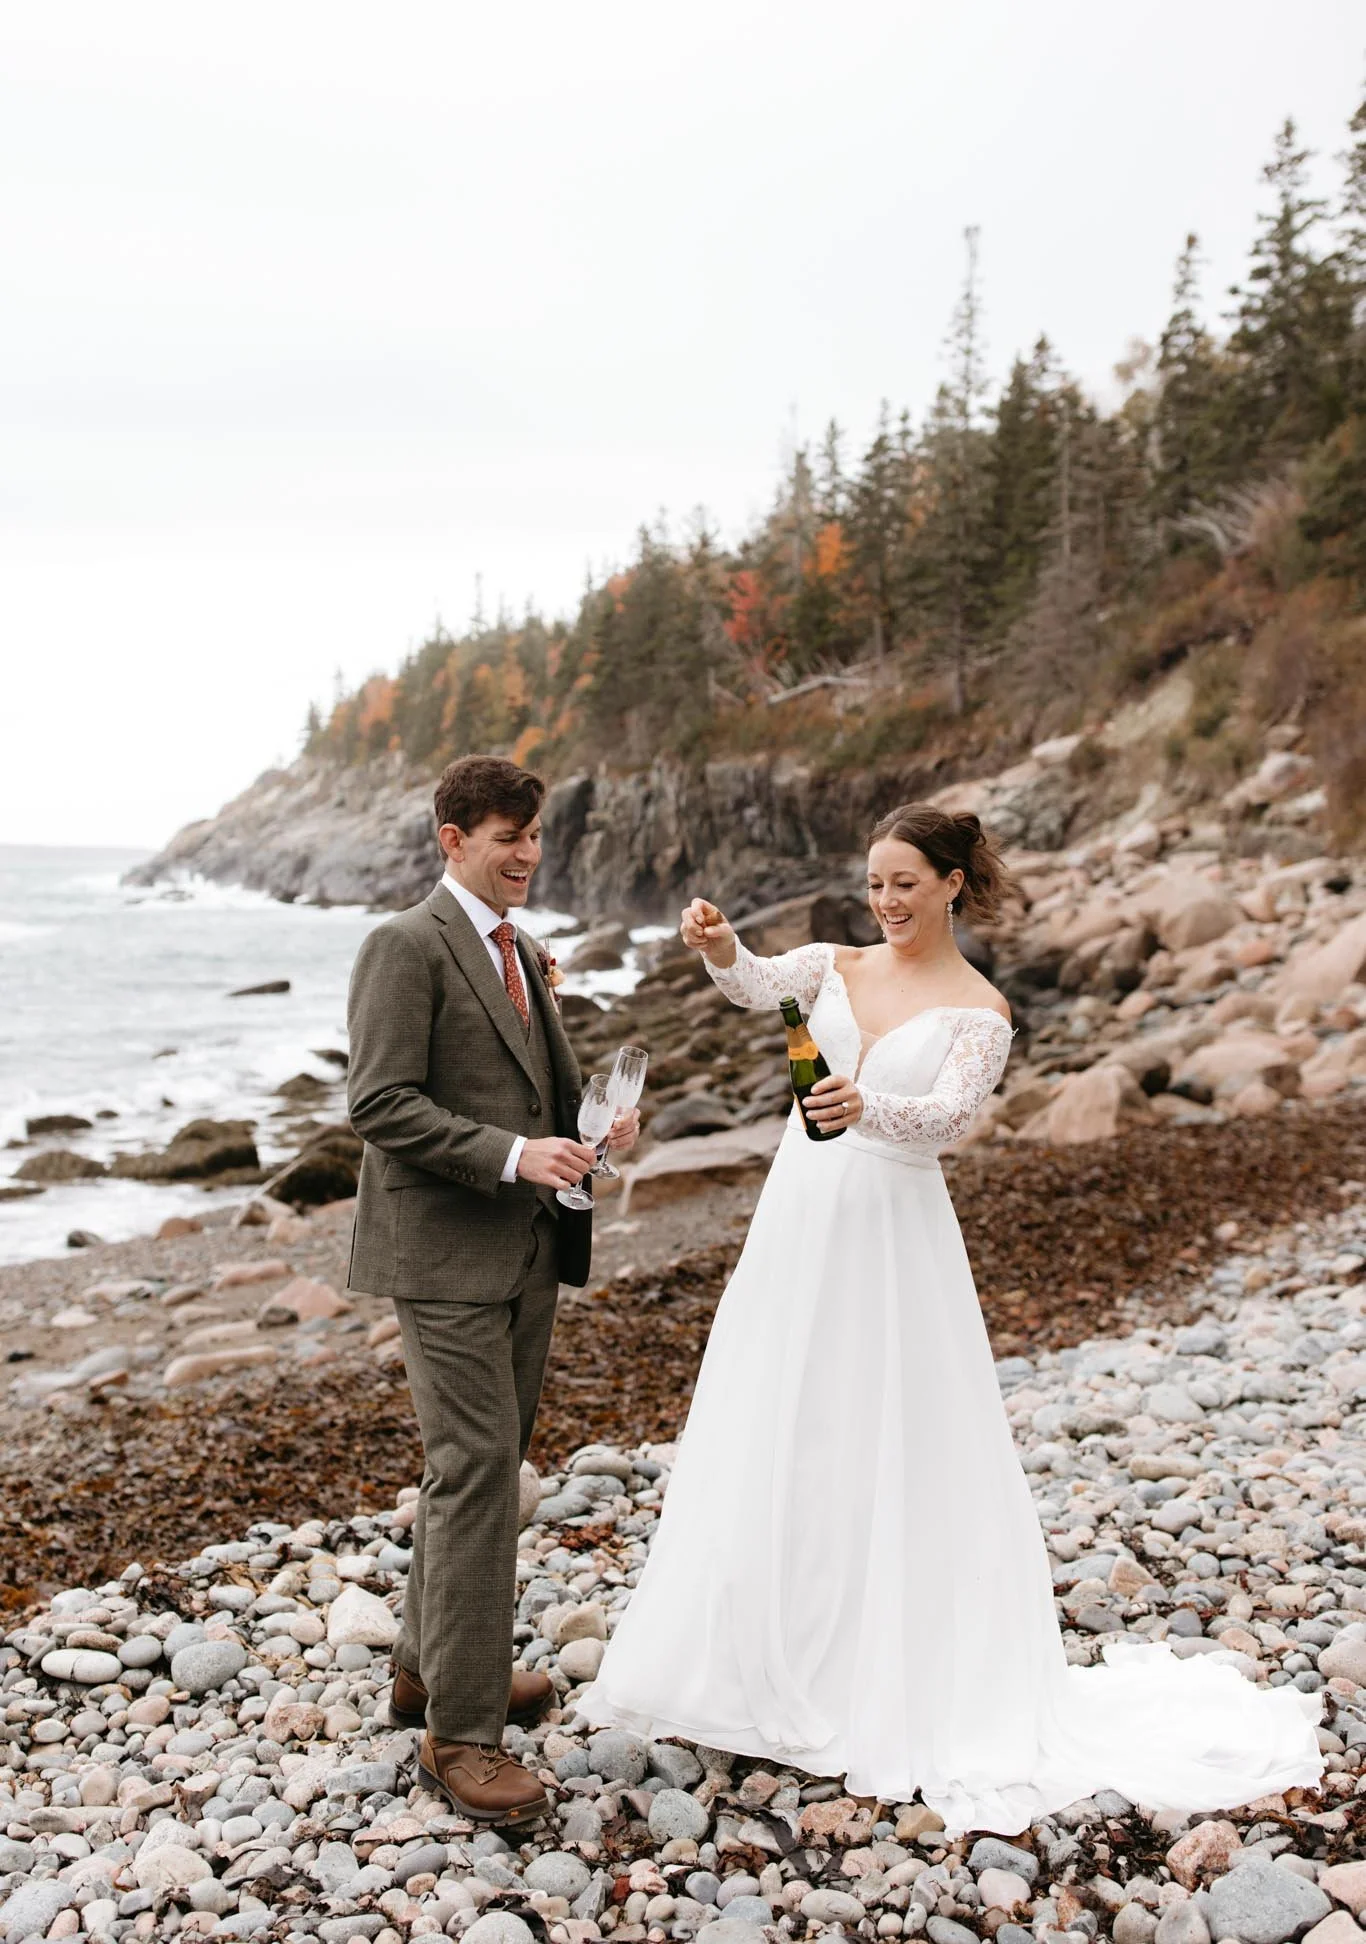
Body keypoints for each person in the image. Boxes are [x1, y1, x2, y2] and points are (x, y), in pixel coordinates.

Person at [577, 804, 1322, 1833]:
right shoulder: (835, 962)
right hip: (801, 1215)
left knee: (890, 1429)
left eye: (904, 883)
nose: (885, 901)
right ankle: (756, 1661)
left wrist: (865, 1108)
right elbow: (756, 982)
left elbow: (949, 1120)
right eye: (874, 881)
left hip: (893, 1226)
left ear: (951, 885)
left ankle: (882, 1668)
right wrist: (720, 947)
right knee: (783, 1413)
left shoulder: (980, 1008)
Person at [346, 753, 640, 1826]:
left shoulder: (520, 949)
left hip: (525, 1249)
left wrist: (590, 1131)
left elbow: (536, 1091)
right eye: (505, 834)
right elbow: (378, 1101)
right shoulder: (403, 944)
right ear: (450, 839)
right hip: (442, 1253)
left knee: (476, 1463)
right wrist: (517, 1155)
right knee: (477, 1468)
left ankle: (427, 1668)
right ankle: (461, 1736)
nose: (525, 852)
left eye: (533, 834)